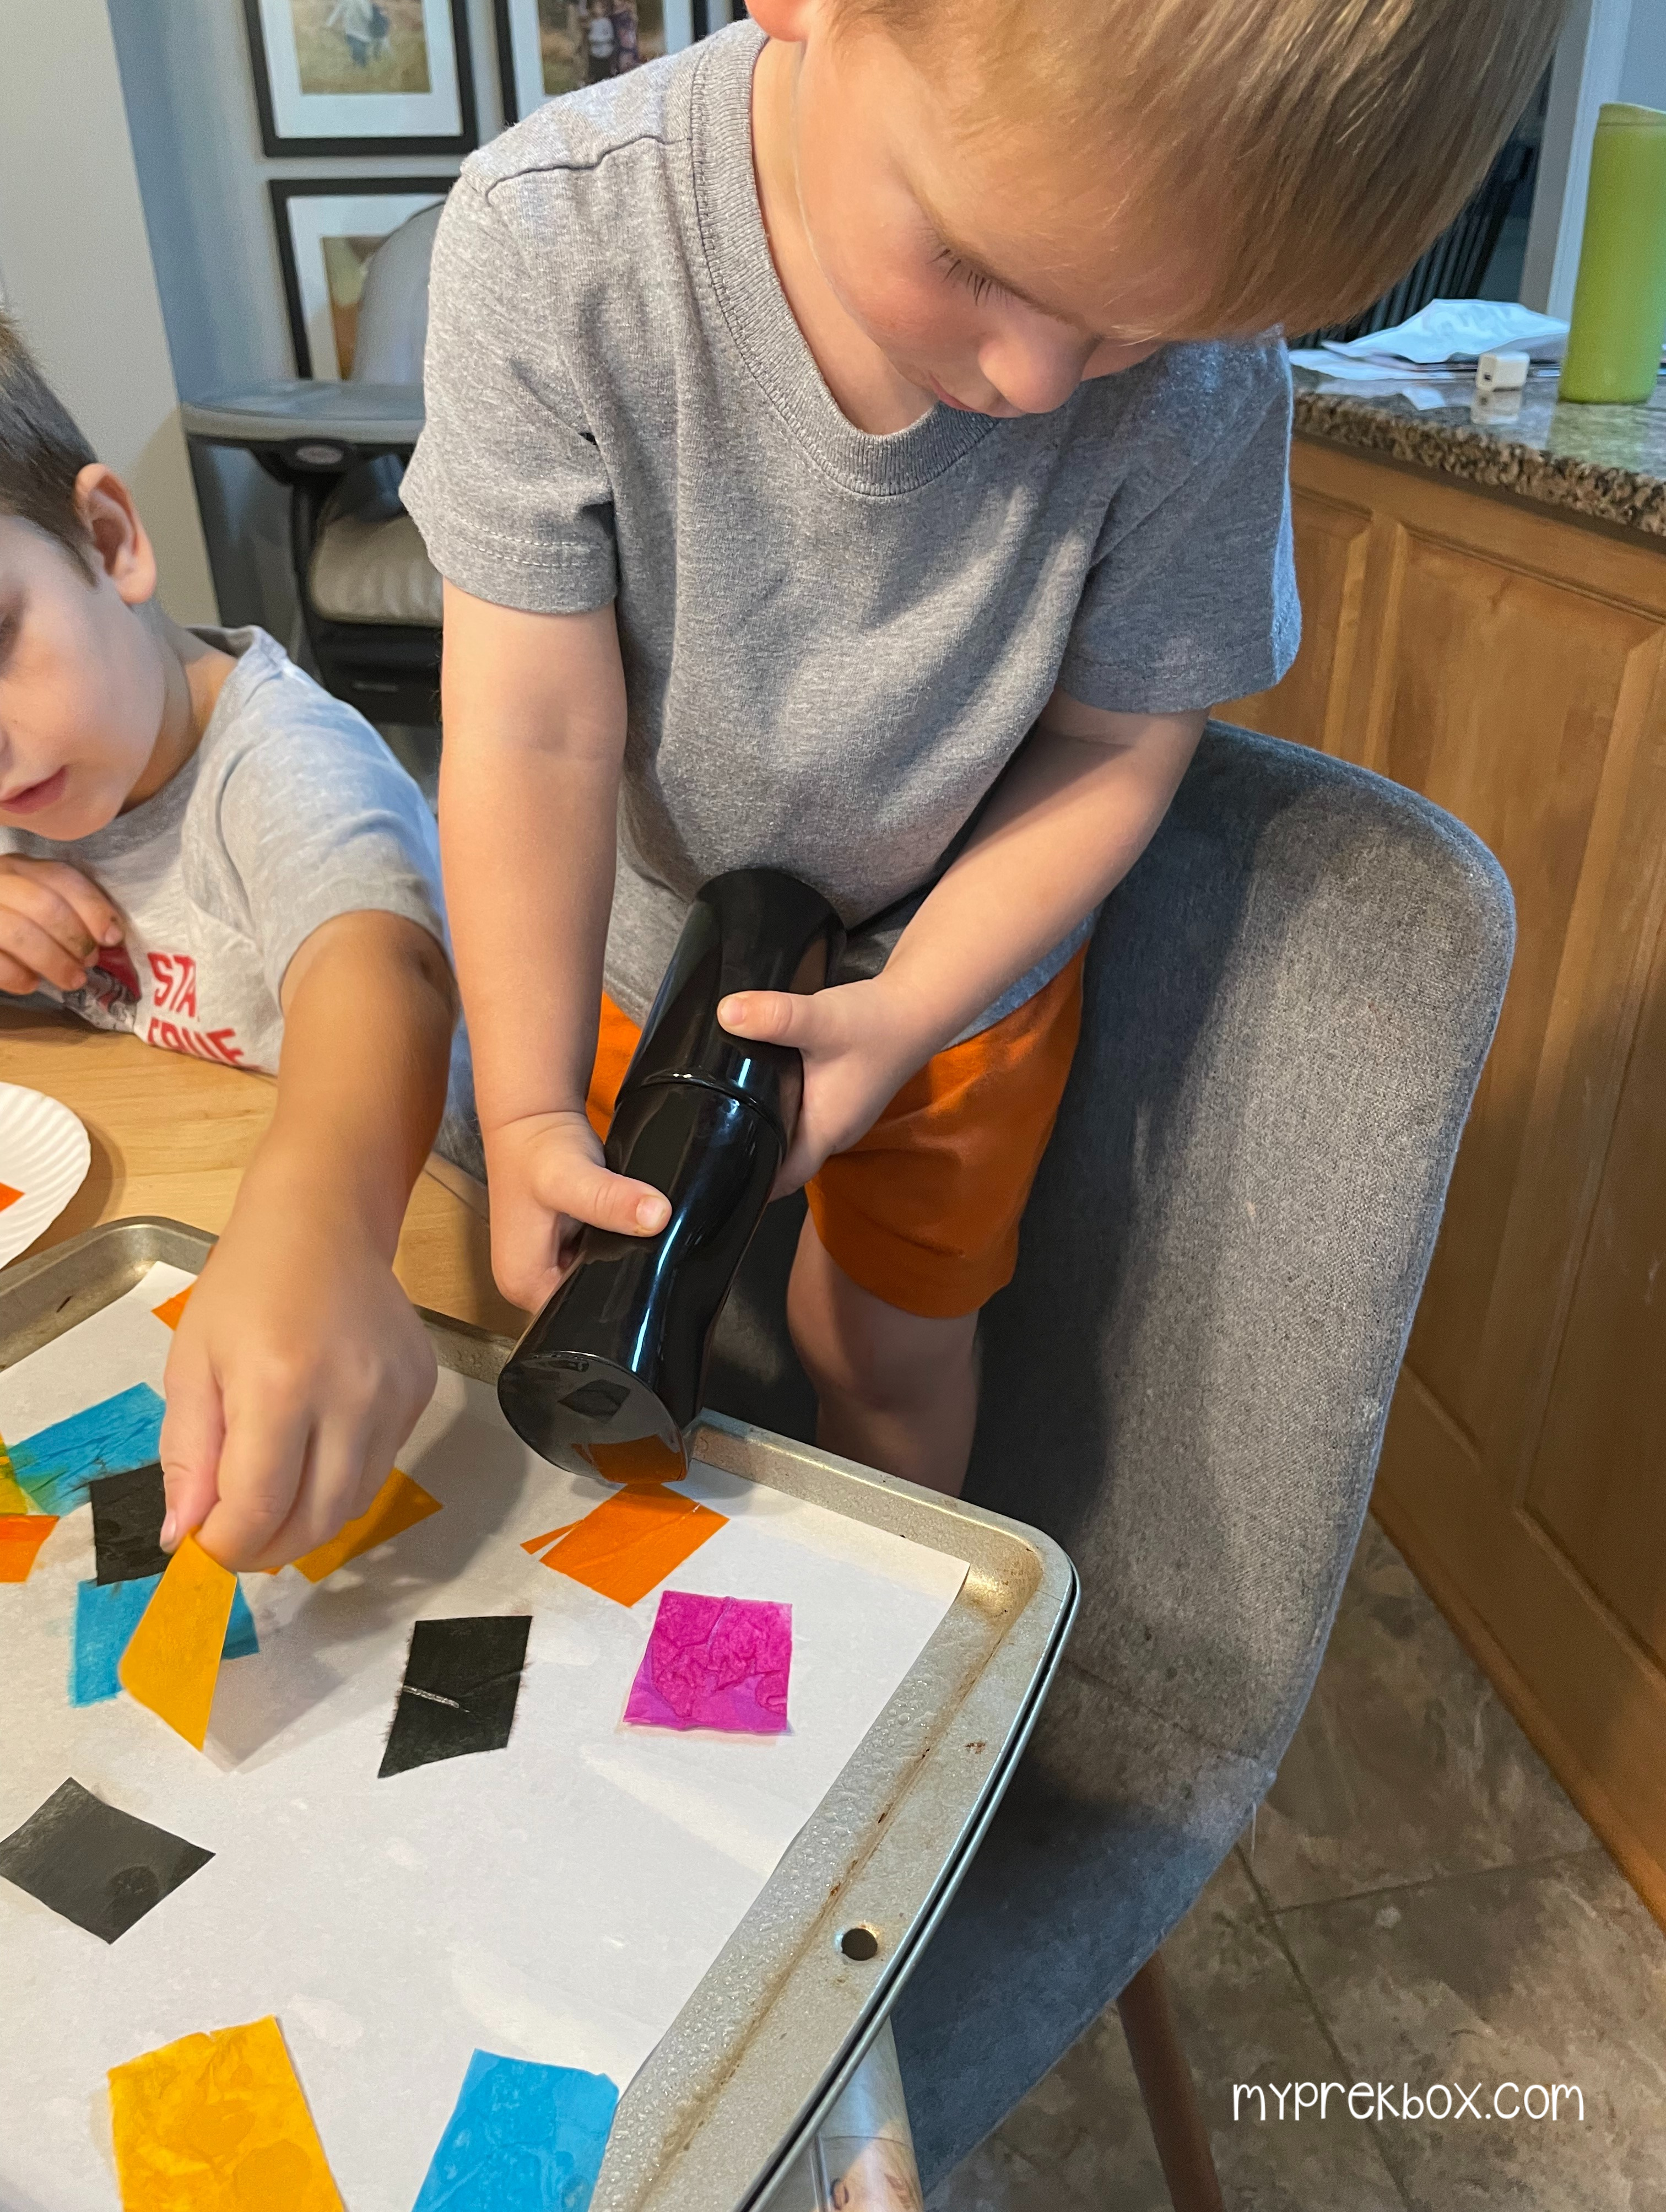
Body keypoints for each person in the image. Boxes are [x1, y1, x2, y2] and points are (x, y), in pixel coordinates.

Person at [403, 0, 1563, 1498]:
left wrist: (911, 1013)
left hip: (954, 969)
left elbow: (1110, 745)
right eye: (978, 268)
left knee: (884, 1347)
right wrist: (529, 1102)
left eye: (1135, 328)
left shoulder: (1210, 385)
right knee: (592, 1308)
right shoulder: (557, 244)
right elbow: (532, 727)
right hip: (627, 945)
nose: (1033, 381)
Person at [0, 317, 478, 1571]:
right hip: (178, 1247)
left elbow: (382, 966)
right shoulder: (32, 791)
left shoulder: (285, 763)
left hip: (403, 1257)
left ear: (111, 541)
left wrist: (317, 1219)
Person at [585, 2, 618, 82]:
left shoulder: (607, 22)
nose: (597, 10)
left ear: (604, 10)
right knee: (596, 72)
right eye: (595, 8)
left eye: (599, 8)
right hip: (595, 53)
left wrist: (599, 40)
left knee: (605, 72)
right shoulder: (592, 23)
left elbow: (610, 36)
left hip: (605, 53)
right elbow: (590, 36)